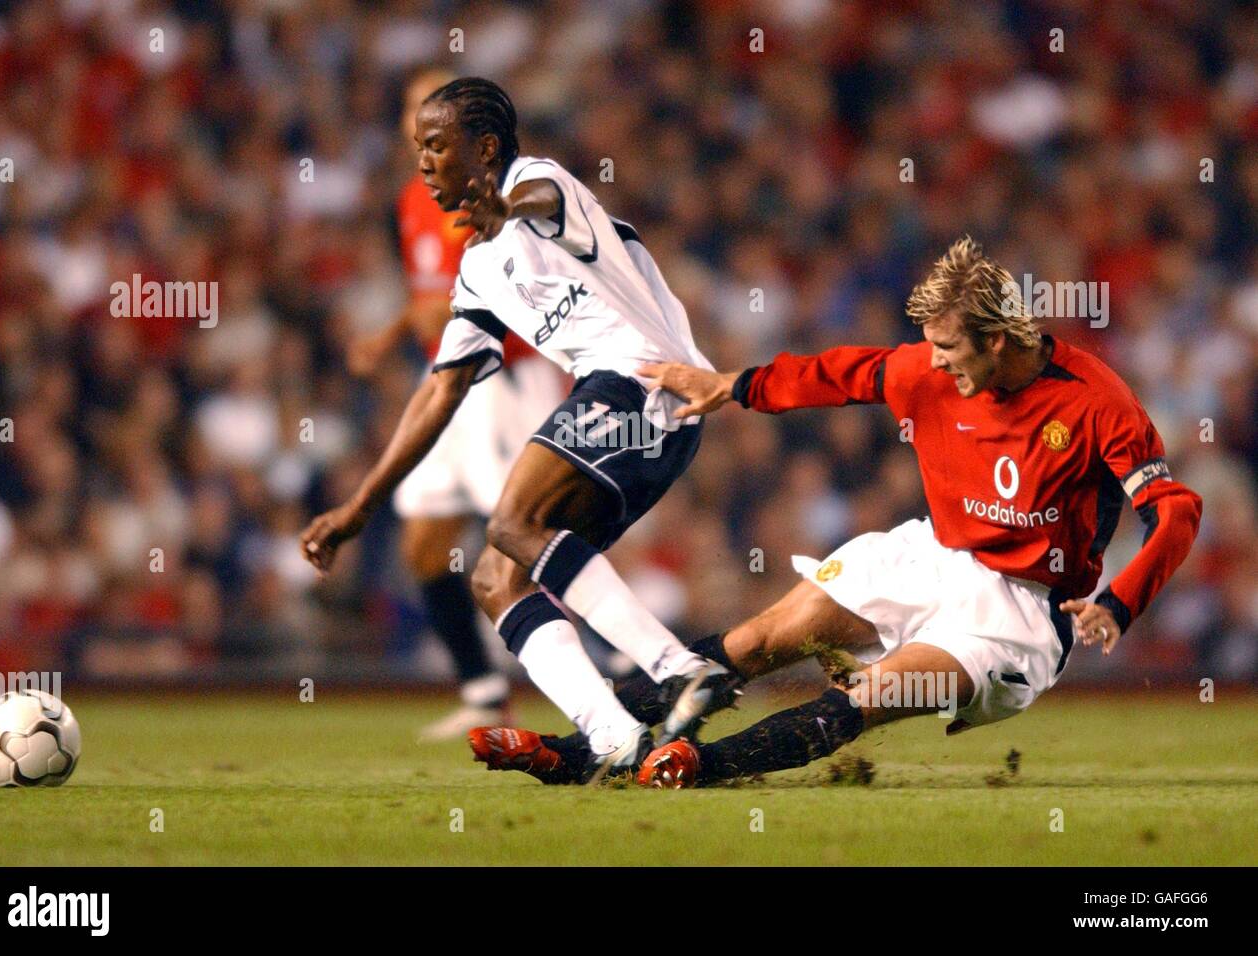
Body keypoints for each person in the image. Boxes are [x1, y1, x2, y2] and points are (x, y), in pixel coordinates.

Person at [468, 236, 1204, 788]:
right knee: (761, 638)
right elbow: (845, 374)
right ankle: (579, 751)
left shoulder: (1096, 402)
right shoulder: (930, 365)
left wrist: (1119, 602)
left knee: (878, 693)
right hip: (934, 555)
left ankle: (698, 764)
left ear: (1000, 340)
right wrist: (734, 385)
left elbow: (1175, 510)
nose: (936, 362)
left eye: (950, 348)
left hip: (1020, 613)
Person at [300, 77, 739, 779]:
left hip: (647, 386)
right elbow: (440, 392)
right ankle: (614, 737)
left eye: (436, 145)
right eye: (417, 147)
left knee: (510, 520)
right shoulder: (474, 274)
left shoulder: (538, 182)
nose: (422, 162)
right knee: (496, 577)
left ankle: (678, 669)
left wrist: (505, 206)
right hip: (647, 422)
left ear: (485, 148)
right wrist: (359, 507)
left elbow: (534, 201)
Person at [342, 70, 567, 741]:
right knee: (425, 541)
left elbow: (460, 297)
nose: (423, 126)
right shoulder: (413, 200)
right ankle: (484, 691)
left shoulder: (483, 195)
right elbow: (430, 298)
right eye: (413, 111)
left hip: (503, 379)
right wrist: (391, 336)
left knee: (528, 536)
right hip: (447, 377)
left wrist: (389, 332)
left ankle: (623, 668)